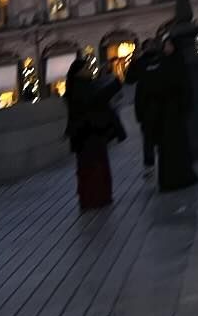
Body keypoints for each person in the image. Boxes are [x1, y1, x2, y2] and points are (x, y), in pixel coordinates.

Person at [64, 55, 124, 210]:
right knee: (94, 167)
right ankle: (95, 198)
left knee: (92, 167)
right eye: (86, 68)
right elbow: (97, 99)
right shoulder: (80, 88)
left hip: (87, 134)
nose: (89, 70)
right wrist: (114, 82)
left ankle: (95, 198)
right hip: (88, 134)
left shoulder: (80, 86)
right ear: (78, 72)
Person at [146, 34, 198, 193]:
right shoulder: (171, 62)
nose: (165, 47)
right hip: (169, 111)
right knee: (171, 146)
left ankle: (174, 179)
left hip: (171, 111)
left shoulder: (172, 63)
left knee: (173, 146)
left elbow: (174, 85)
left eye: (168, 44)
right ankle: (174, 178)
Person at [125, 42, 162, 170]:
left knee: (148, 137)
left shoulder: (139, 63)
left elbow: (129, 79)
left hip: (146, 104)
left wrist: (133, 62)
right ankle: (162, 158)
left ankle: (149, 163)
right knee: (161, 133)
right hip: (160, 102)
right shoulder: (162, 59)